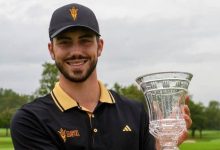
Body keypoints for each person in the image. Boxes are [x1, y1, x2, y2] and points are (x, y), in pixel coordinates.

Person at [10, 3, 192, 150]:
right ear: (51, 50)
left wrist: (163, 146)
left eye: (85, 40)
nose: (76, 51)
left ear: (100, 47)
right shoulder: (30, 120)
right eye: (65, 42)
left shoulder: (135, 113)